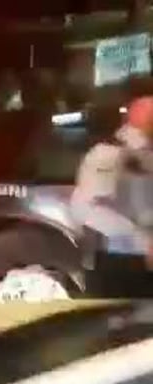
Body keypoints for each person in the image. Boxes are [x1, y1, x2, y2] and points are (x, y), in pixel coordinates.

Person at [71, 96, 153, 297]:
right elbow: (88, 209)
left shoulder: (143, 154)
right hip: (120, 261)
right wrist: (145, 241)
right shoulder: (108, 154)